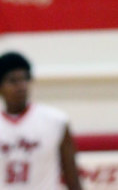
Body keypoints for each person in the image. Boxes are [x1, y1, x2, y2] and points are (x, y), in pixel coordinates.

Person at [0, 50, 82, 190]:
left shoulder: (56, 121)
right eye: (13, 81)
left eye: (25, 79)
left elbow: (72, 177)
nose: (21, 86)